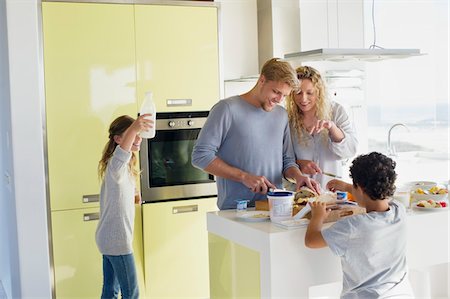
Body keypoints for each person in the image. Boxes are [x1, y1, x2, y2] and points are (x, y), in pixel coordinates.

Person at [192, 58, 320, 210]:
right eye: (276, 92)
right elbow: (200, 156)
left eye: (284, 96)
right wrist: (244, 177)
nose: (279, 100)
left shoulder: (281, 115)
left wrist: (298, 177)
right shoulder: (226, 109)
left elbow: (287, 161)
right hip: (236, 209)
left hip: (274, 207)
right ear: (262, 80)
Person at [305, 152, 414, 299]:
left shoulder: (352, 227)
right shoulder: (399, 211)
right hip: (402, 294)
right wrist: (349, 187)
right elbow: (376, 193)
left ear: (361, 188)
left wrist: (317, 216)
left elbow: (311, 241)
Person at [95, 114, 153, 299]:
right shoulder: (116, 164)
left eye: (139, 133)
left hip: (109, 238)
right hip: (117, 241)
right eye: (132, 134)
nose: (138, 138)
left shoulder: (123, 168)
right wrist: (135, 127)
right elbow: (123, 154)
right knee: (131, 293)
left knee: (110, 290)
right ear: (118, 139)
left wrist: (135, 193)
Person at [285, 65, 358, 187]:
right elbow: (281, 159)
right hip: (300, 192)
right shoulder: (288, 118)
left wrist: (332, 128)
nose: (303, 99)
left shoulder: (336, 111)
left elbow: (350, 150)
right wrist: (299, 164)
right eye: (298, 93)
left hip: (331, 190)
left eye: (310, 93)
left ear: (319, 92)